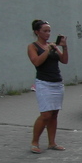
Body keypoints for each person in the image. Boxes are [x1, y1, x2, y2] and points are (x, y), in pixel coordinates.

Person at [27, 19, 69, 154]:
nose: (48, 34)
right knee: (45, 114)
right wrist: (47, 50)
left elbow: (64, 60)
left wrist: (63, 46)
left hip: (57, 82)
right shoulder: (33, 46)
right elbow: (37, 62)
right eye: (45, 31)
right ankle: (35, 142)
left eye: (49, 31)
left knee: (54, 114)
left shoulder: (53, 46)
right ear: (37, 32)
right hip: (44, 83)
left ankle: (52, 143)